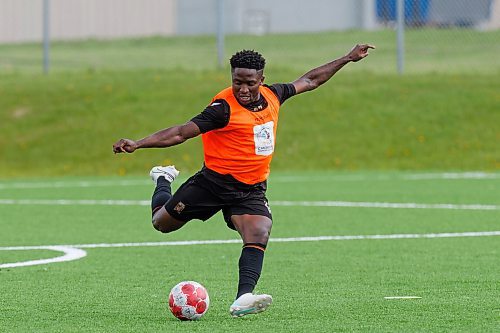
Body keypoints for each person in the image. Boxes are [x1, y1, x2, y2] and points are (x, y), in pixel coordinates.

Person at [112, 44, 374, 317]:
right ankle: (163, 178)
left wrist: (347, 58)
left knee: (259, 231)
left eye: (250, 83)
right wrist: (138, 144)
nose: (243, 89)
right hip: (212, 184)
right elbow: (180, 133)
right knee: (161, 224)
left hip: (250, 189)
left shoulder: (274, 95)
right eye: (237, 82)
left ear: (261, 80)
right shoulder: (222, 109)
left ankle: (243, 298)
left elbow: (310, 80)